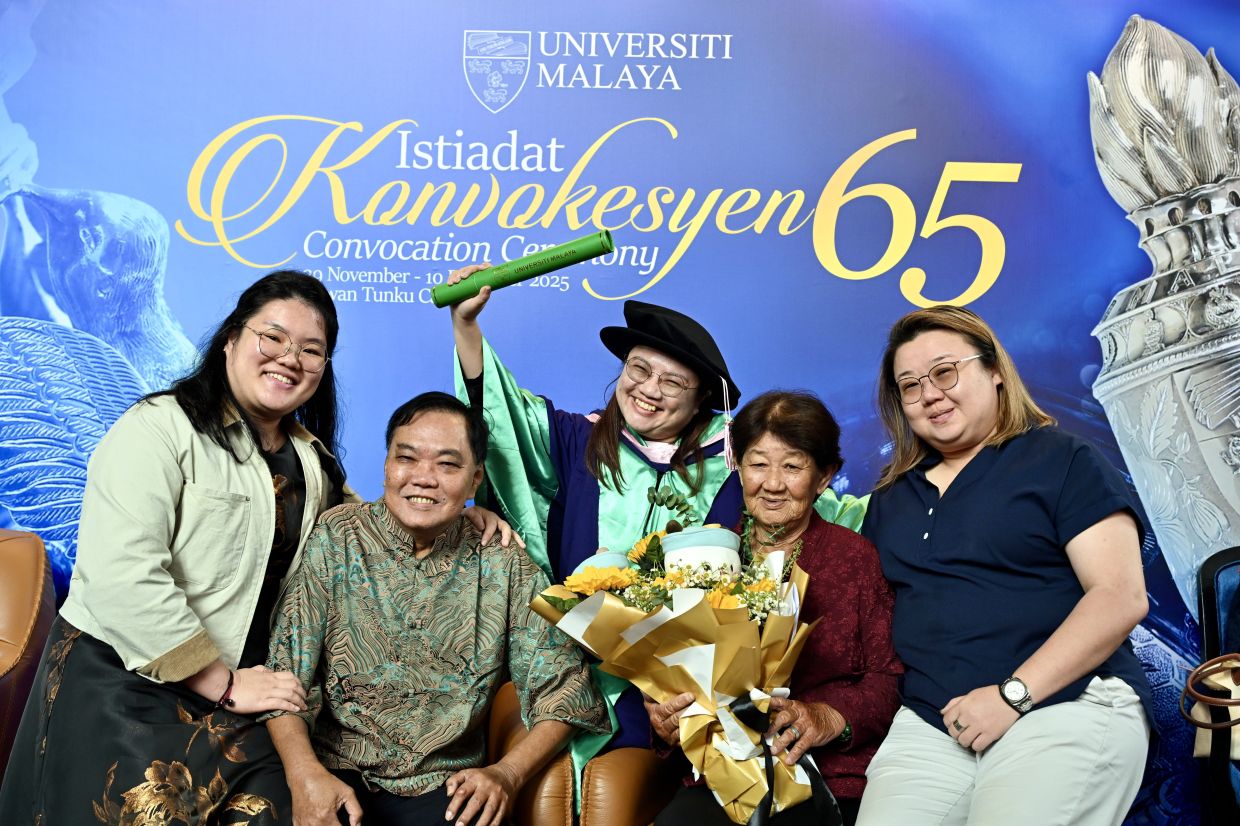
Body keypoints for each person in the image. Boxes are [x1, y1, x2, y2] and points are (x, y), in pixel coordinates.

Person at [0, 271, 514, 824]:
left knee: (304, 806)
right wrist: (221, 684)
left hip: (242, 699)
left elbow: (373, 527)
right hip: (127, 683)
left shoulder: (312, 461)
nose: (289, 358)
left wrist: (457, 512)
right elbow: (123, 576)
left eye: (311, 350)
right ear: (231, 339)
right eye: (272, 337)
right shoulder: (158, 428)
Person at [445, 265, 867, 777]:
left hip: (683, 691)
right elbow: (502, 419)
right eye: (639, 370)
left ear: (700, 401)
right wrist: (466, 325)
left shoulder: (735, 460)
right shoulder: (580, 440)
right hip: (569, 665)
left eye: (673, 382)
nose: (649, 389)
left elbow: (807, 511)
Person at [855, 306, 1153, 826]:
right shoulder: (890, 498)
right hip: (931, 722)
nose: (929, 393)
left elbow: (1120, 596)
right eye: (910, 385)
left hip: (1065, 704)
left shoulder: (1062, 460)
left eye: (945, 372)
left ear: (994, 370)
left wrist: (1013, 696)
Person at [263, 391, 608, 826]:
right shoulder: (337, 537)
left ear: (475, 478)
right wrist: (305, 775)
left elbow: (566, 693)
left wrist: (507, 774)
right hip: (334, 770)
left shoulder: (504, 564)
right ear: (387, 465)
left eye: (447, 464)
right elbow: (286, 676)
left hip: (443, 788)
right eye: (407, 458)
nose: (423, 478)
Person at [645, 391, 901, 826]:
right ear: (738, 466)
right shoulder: (702, 556)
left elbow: (889, 679)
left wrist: (824, 716)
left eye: (793, 466)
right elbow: (672, 666)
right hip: (719, 774)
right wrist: (666, 715)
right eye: (758, 464)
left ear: (824, 477)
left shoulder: (855, 558)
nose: (773, 483)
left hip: (820, 773)